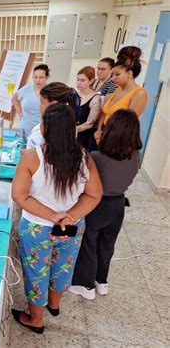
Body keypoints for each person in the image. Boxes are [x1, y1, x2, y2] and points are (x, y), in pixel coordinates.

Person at [11, 103, 102, 334]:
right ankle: (54, 305)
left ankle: (36, 319)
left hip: (37, 228)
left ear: (45, 129)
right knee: (63, 267)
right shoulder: (84, 156)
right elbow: (94, 194)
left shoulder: (32, 157)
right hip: (72, 227)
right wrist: (71, 216)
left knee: (36, 271)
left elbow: (19, 195)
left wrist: (53, 216)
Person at [70, 109, 141, 299]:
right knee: (107, 245)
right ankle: (101, 282)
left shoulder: (96, 157)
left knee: (89, 243)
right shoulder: (136, 156)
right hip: (118, 205)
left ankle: (85, 285)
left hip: (97, 205)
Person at [95, 46, 148, 143]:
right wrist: (99, 132)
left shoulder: (139, 93)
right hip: (104, 135)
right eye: (113, 74)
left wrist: (104, 138)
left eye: (117, 74)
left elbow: (127, 125)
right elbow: (105, 112)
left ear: (129, 74)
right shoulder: (118, 88)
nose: (113, 78)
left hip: (118, 141)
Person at [26, 82, 80, 149]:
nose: (39, 106)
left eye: (42, 102)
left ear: (53, 104)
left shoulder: (56, 130)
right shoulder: (57, 122)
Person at [13, 64, 50, 137]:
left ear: (46, 78)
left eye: (41, 77)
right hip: (25, 130)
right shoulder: (26, 89)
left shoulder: (50, 91)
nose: (37, 80)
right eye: (35, 77)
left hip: (42, 131)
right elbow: (15, 98)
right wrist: (20, 112)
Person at [75, 66, 101, 150]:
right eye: (78, 79)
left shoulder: (95, 99)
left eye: (82, 80)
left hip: (83, 137)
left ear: (91, 81)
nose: (79, 83)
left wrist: (71, 130)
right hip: (71, 134)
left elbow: (89, 124)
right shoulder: (74, 95)